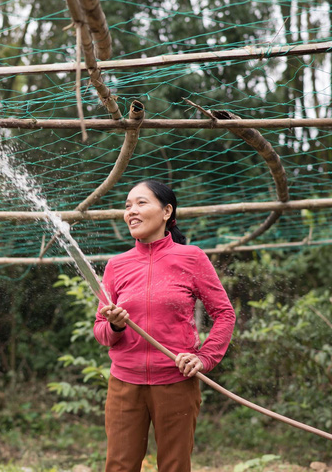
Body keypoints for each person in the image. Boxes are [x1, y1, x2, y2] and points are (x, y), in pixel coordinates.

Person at [95, 180, 236, 472]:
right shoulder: (116, 266)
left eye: (141, 203)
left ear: (166, 211)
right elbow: (101, 331)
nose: (131, 211)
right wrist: (116, 327)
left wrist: (204, 357)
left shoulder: (192, 258)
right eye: (127, 206)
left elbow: (224, 313)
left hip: (176, 383)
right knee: (119, 466)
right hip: (124, 384)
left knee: (174, 466)